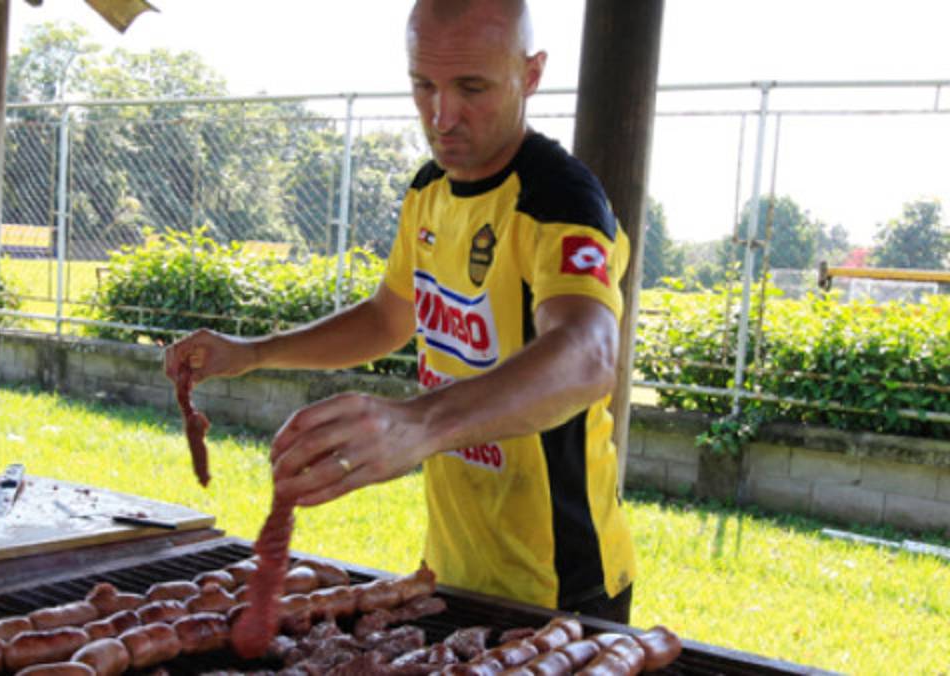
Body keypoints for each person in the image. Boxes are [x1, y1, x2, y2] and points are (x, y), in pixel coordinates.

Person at [165, 0, 635, 623]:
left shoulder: (559, 199)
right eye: (423, 85)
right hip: (454, 565)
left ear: (531, 74)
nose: (441, 116)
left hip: (560, 584)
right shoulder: (429, 190)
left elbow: (588, 356)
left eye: (471, 87)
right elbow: (390, 317)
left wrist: (416, 426)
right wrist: (254, 352)